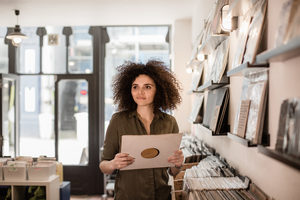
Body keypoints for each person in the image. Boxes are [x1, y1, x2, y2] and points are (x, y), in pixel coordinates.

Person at [99, 60, 184, 200]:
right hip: (128, 196)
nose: (140, 92)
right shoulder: (118, 121)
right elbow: (103, 166)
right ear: (129, 90)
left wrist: (178, 164)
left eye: (147, 87)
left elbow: (172, 171)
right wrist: (113, 164)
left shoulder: (170, 122)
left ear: (159, 89)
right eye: (135, 87)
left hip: (161, 195)